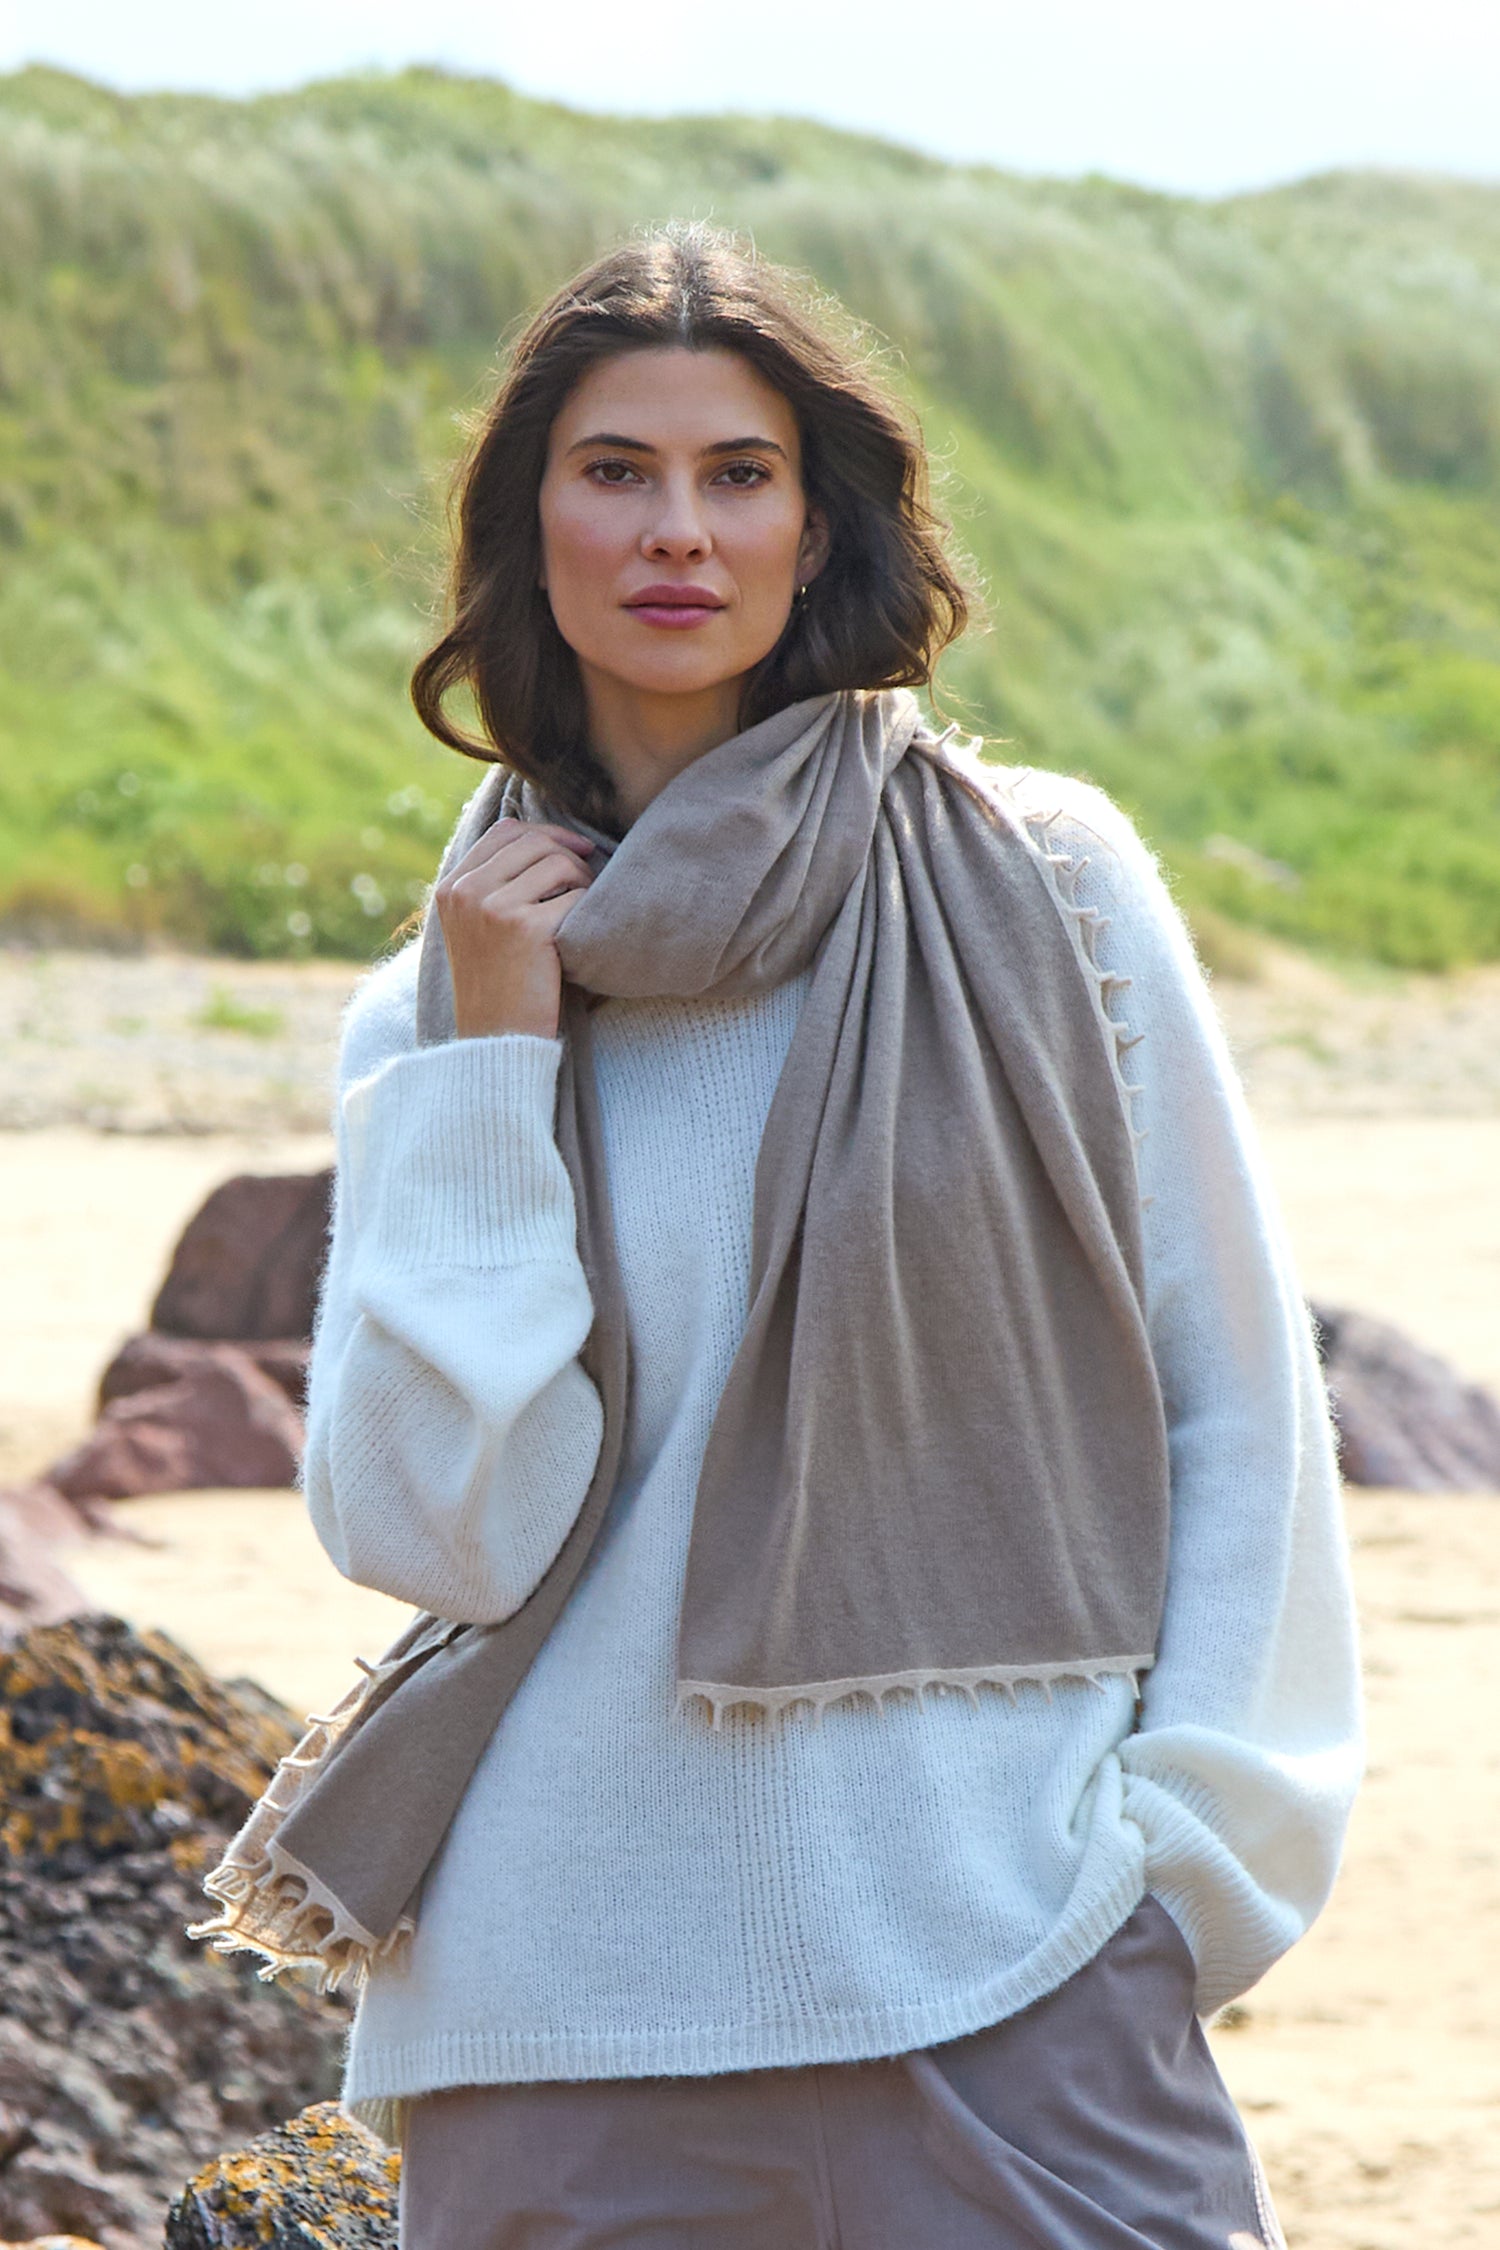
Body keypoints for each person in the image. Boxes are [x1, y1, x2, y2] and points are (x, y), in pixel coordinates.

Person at [227, 226, 1363, 2247]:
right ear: (529, 527)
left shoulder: (1047, 888)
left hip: (1007, 1963)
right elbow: (438, 1531)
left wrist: (1186, 1868)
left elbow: (1232, 1403)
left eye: (738, 473)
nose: (679, 530)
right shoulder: (440, 1000)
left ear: (816, 520)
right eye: (617, 470)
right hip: (555, 2003)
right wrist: (493, 1074)